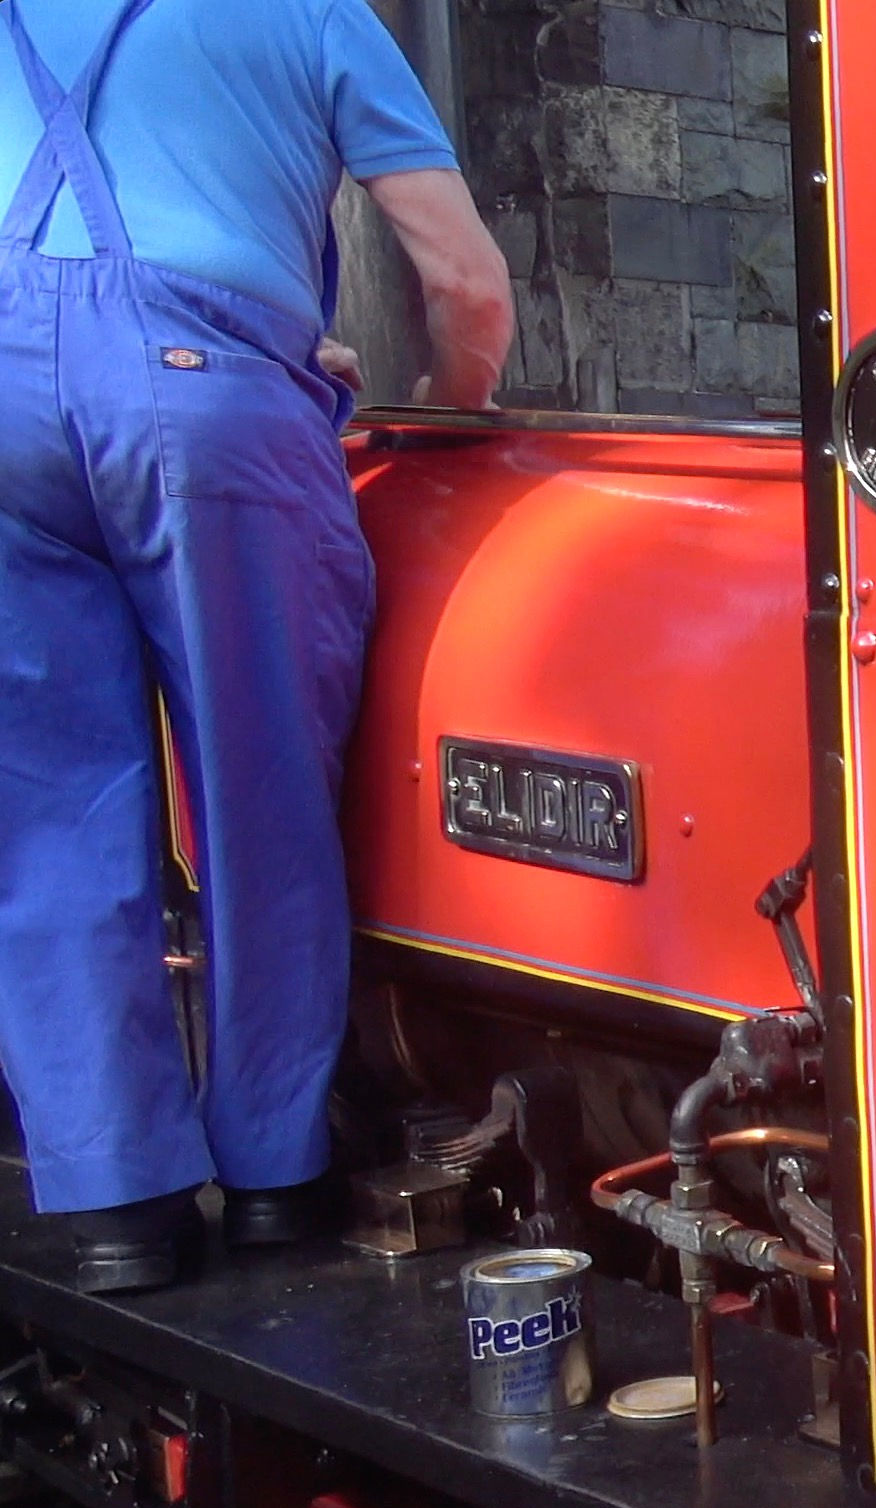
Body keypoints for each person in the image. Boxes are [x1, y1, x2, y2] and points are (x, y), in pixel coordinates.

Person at [0, 0, 509, 1290]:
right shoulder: (313, 13)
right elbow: (460, 278)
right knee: (258, 791)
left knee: (44, 823)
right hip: (208, 413)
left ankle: (117, 1207)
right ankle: (278, 1174)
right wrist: (457, 406)